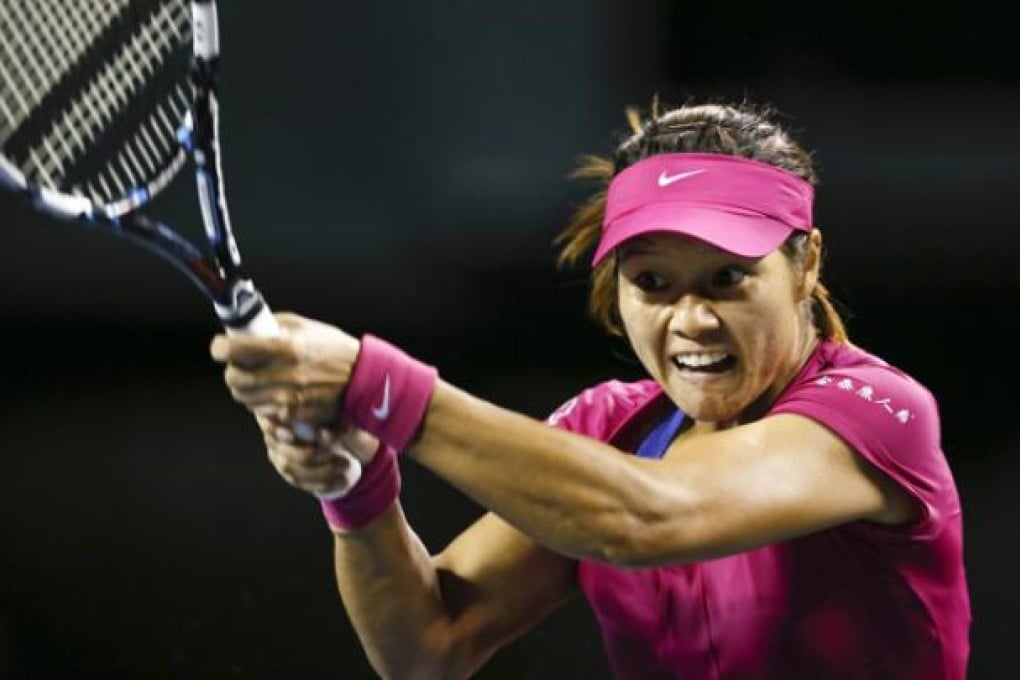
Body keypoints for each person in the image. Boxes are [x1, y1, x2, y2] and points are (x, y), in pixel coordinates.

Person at [210, 100, 971, 679]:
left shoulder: (881, 415)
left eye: (728, 278)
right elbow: (426, 648)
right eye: (652, 284)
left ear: (805, 267)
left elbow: (649, 515)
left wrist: (378, 386)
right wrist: (359, 483)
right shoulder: (607, 430)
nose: (692, 320)